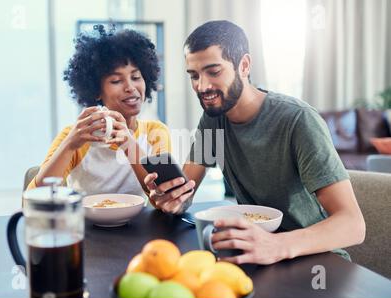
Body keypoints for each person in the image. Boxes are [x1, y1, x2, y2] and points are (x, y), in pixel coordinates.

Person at [144, 20, 365, 264]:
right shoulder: (213, 119)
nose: (202, 86)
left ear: (244, 65)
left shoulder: (298, 120)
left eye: (214, 72)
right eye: (194, 76)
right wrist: (173, 200)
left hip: (316, 261)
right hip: (256, 254)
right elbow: (188, 189)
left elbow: (353, 224)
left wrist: (277, 245)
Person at [28, 25, 170, 197]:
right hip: (84, 223)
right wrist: (70, 144)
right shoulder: (76, 136)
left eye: (136, 77)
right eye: (116, 80)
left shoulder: (155, 132)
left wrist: (129, 144)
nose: (130, 87)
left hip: (138, 223)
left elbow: (165, 198)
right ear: (96, 90)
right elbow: (34, 200)